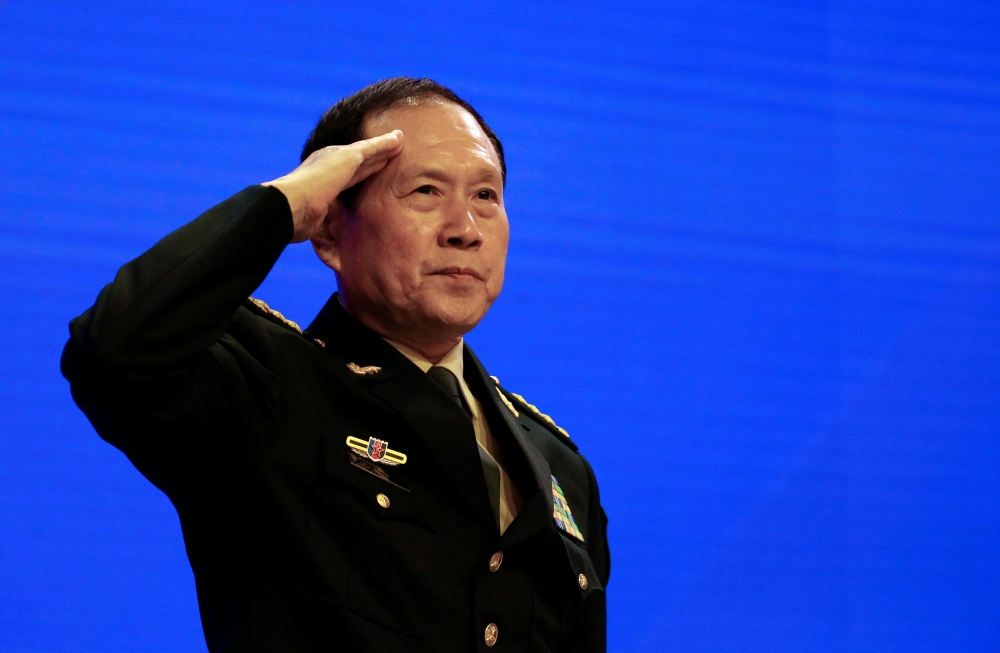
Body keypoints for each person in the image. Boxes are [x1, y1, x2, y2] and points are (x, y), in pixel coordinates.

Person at [61, 77, 609, 653]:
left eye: (486, 197)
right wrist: (283, 203)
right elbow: (113, 350)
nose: (465, 230)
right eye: (425, 191)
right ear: (329, 231)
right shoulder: (266, 386)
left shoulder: (560, 470)